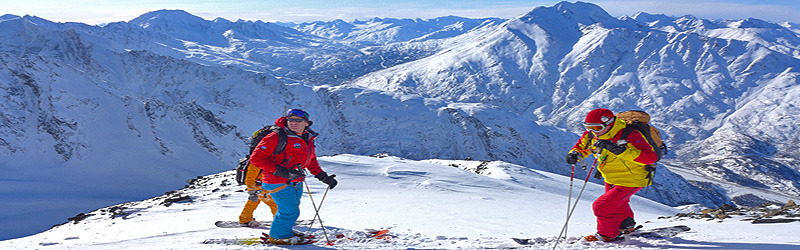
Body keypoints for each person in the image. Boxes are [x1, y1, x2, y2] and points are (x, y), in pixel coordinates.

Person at [565, 108, 657, 242]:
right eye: (588, 127)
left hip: (633, 178)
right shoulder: (592, 134)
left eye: (596, 127)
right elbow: (582, 147)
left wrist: (619, 151)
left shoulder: (630, 134)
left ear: (609, 124)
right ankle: (626, 225)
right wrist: (575, 154)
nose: (593, 131)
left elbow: (650, 157)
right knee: (618, 203)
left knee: (602, 206)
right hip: (611, 176)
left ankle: (607, 235)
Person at [249, 109, 338, 245]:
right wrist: (283, 172)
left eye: (298, 120)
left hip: (295, 180)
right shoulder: (275, 137)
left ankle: (283, 231)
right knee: (289, 211)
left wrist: (323, 177)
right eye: (291, 120)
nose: (293, 123)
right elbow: (256, 159)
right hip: (276, 181)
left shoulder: (307, 137)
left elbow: (311, 160)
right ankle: (278, 236)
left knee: (291, 209)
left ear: (307, 123)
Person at [237, 161, 278, 227]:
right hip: (260, 187)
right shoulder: (256, 162)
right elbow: (250, 178)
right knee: (275, 203)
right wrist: (251, 190)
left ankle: (245, 219)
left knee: (252, 202)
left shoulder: (258, 160)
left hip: (259, 187)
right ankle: (280, 221)